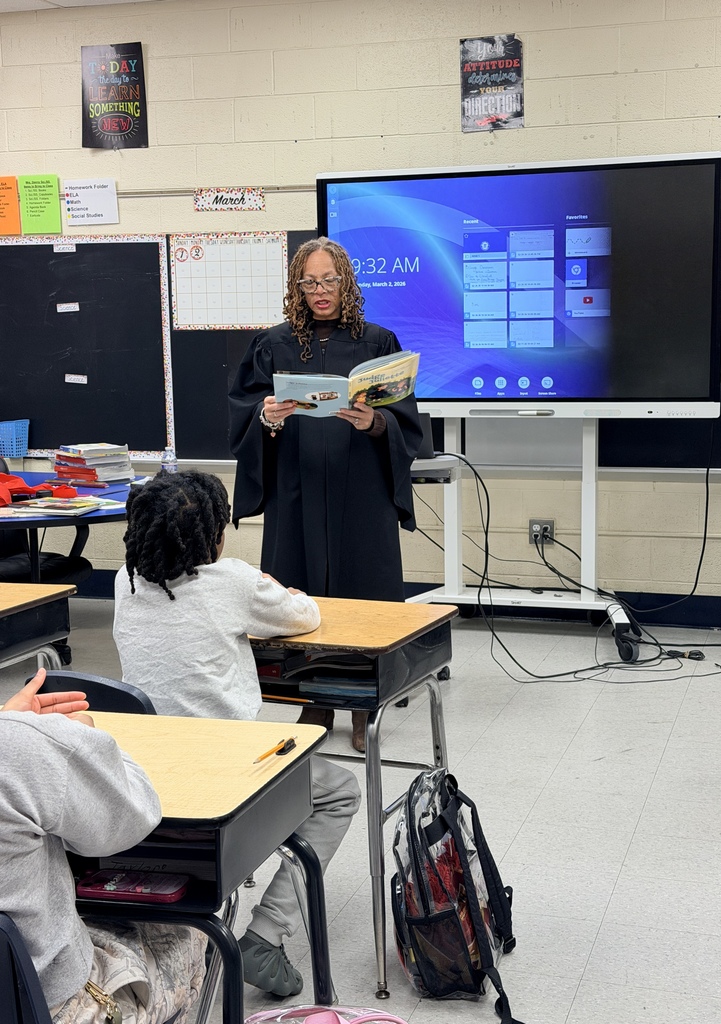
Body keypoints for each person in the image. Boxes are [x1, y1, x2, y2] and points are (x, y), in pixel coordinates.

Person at [112, 470, 362, 998]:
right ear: (216, 537)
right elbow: (304, 615)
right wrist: (267, 585)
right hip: (228, 779)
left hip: (147, 772)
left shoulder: (124, 580)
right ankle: (266, 936)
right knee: (340, 790)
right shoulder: (232, 580)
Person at [228, 237, 422, 751]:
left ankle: (363, 704)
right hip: (298, 487)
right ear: (298, 286)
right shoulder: (274, 344)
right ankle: (312, 700)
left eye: (329, 280)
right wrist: (266, 418)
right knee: (298, 591)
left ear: (346, 283)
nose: (320, 291)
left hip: (362, 491)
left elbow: (406, 421)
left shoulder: (378, 342)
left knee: (364, 589)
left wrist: (376, 422)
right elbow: (245, 414)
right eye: (309, 282)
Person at [0, 668, 206, 1024]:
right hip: (45, 1007)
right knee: (190, 935)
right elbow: (132, 817)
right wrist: (79, 746)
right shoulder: (18, 749)